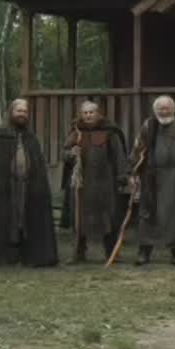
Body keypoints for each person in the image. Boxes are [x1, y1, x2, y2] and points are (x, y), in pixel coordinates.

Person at [129, 95, 175, 265]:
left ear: (173, 109)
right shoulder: (148, 126)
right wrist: (134, 171)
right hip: (153, 177)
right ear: (155, 110)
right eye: (160, 109)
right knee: (148, 214)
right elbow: (138, 148)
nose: (164, 111)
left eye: (167, 108)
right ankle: (144, 251)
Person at [64, 101, 130, 263]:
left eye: (91, 112)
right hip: (82, 184)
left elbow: (119, 156)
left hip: (105, 183)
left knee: (108, 217)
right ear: (81, 115)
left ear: (98, 113)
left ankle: (111, 252)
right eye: (85, 113)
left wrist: (122, 176)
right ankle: (79, 252)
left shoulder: (110, 132)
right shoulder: (76, 132)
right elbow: (64, 154)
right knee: (79, 218)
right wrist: (71, 154)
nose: (88, 115)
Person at [0, 98, 59, 267]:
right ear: (11, 112)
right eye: (19, 111)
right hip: (5, 188)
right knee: (6, 219)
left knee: (26, 219)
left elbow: (38, 165)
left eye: (25, 111)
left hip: (28, 187)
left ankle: (30, 255)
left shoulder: (31, 138)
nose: (22, 114)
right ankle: (7, 255)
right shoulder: (0, 137)